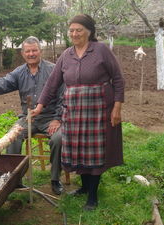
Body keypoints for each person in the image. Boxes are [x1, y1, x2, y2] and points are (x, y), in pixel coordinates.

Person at [31, 14, 125, 210]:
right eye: (72, 30)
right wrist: (39, 106)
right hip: (74, 111)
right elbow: (52, 83)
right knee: (79, 150)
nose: (74, 34)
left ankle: (92, 196)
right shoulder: (67, 54)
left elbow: (118, 79)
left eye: (79, 30)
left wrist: (117, 107)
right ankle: (84, 187)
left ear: (89, 31)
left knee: (95, 151)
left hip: (98, 110)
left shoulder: (101, 51)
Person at [0, 36, 65, 195]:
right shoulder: (19, 72)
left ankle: (55, 179)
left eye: (34, 50)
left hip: (50, 117)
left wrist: (58, 119)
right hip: (28, 117)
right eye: (28, 51)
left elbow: (63, 96)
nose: (31, 54)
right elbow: (3, 83)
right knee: (13, 137)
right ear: (23, 53)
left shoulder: (53, 70)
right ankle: (15, 179)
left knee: (58, 139)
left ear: (40, 51)